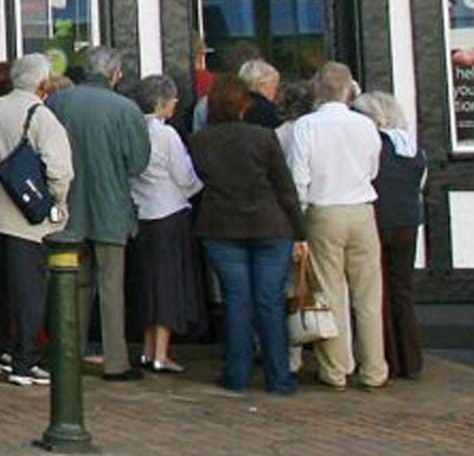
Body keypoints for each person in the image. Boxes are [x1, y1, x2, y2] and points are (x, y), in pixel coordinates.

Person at [189, 75, 304, 395]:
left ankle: (237, 375)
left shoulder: (200, 142)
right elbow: (285, 189)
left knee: (236, 301)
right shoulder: (263, 137)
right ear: (243, 105)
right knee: (270, 301)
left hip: (222, 227)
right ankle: (279, 378)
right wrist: (300, 231)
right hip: (270, 226)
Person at [46, 45, 151, 381]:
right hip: (111, 208)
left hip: (67, 207)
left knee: (71, 285)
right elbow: (138, 163)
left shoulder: (58, 103)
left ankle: (67, 354)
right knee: (111, 287)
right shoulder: (126, 109)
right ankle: (115, 362)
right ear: (115, 74)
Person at [289, 61, 386, 390]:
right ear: (349, 89)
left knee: (330, 293)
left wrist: (299, 221)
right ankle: (374, 369)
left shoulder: (307, 126)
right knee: (368, 295)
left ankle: (336, 369)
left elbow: (298, 178)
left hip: (324, 210)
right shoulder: (365, 125)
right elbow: (373, 169)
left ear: (317, 88)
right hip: (361, 209)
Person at [0, 53, 73, 386]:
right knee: (29, 292)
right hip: (27, 219)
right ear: (44, 83)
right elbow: (60, 170)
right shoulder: (43, 116)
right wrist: (57, 201)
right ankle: (25, 361)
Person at [130, 74, 206, 374]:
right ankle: (161, 353)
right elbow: (185, 177)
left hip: (141, 215)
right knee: (168, 285)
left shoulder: (132, 129)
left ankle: (148, 349)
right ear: (161, 102)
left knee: (147, 284)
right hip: (169, 214)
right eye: (173, 99)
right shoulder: (167, 134)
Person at [355, 90, 426, 381]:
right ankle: (410, 359)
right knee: (402, 290)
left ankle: (386, 357)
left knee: (377, 290)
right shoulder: (412, 148)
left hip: (378, 219)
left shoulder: (372, 146)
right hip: (408, 221)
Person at [239, 60, 281, 130]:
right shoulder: (268, 111)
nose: (276, 91)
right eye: (274, 86)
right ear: (262, 85)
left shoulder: (236, 106)